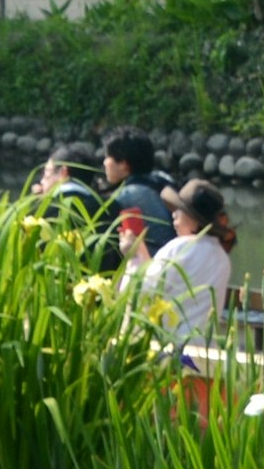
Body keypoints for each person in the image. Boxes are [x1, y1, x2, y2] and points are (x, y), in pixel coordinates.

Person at [128, 179, 236, 338]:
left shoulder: (180, 247)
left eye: (180, 210)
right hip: (203, 353)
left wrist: (134, 255)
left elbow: (141, 292)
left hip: (168, 349)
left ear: (194, 221)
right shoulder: (222, 257)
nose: (174, 215)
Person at [97, 131, 175, 265]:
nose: (104, 162)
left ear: (124, 164)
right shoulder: (162, 179)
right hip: (182, 258)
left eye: (108, 156)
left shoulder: (126, 196)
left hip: (155, 268)